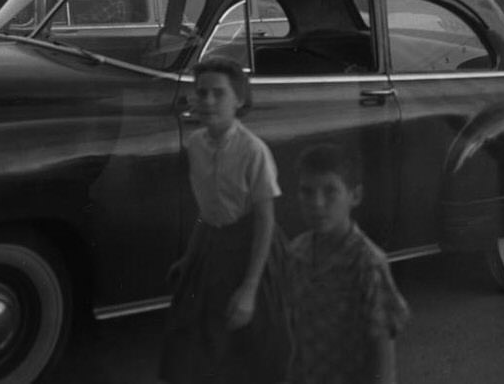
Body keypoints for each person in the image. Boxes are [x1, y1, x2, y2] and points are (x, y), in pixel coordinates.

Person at [160, 57, 290, 384]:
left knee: (256, 343)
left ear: (239, 100)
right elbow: (207, 212)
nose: (208, 101)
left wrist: (249, 289)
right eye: (201, 93)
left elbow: (265, 222)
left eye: (219, 93)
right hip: (213, 250)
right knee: (195, 341)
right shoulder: (195, 145)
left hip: (253, 253)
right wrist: (189, 258)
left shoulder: (253, 151)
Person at [286, 142, 409, 384]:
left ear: (355, 196)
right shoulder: (296, 253)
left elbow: (383, 350)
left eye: (330, 191)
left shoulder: (367, 262)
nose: (317, 203)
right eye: (307, 191)